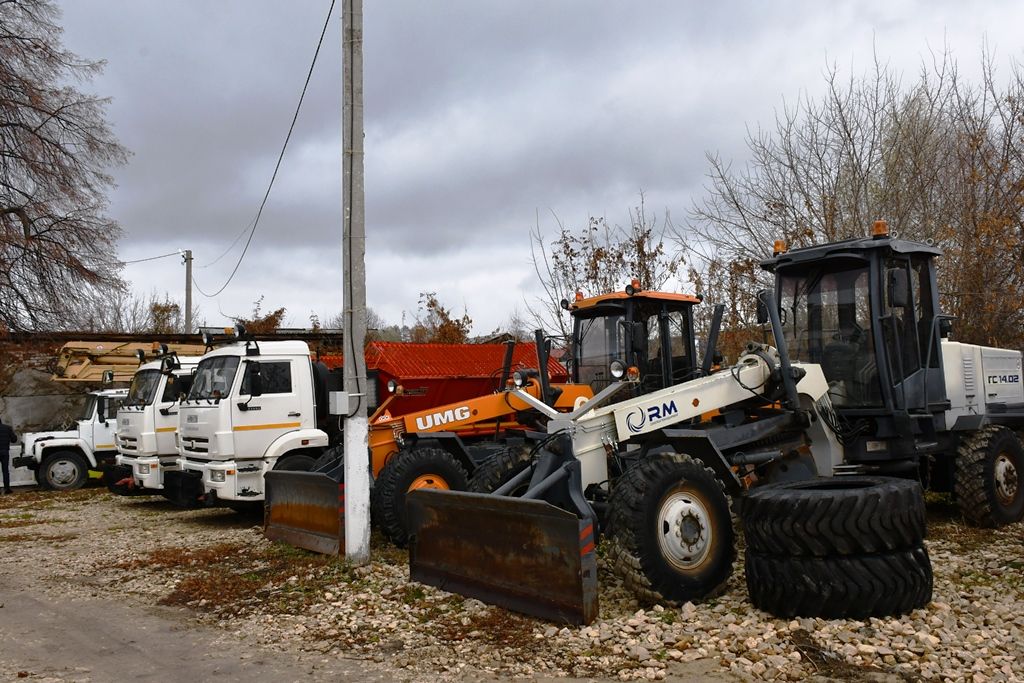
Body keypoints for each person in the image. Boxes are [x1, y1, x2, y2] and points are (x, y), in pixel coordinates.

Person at [0, 415, 16, 494]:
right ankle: (7, 489)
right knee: (5, 470)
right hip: (5, 452)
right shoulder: (7, 428)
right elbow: (14, 440)